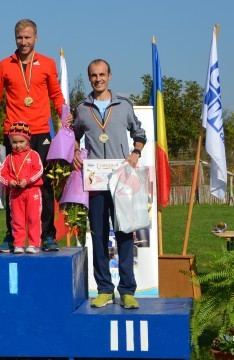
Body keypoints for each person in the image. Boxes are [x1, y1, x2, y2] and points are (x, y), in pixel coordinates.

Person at [0, 18, 68, 252]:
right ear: (14, 38)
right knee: (14, 187)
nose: (23, 42)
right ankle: (12, 236)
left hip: (41, 132)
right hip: (15, 134)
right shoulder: (5, 64)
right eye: (20, 38)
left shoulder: (47, 63)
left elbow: (57, 96)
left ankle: (48, 234)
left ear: (36, 38)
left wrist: (65, 120)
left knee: (45, 183)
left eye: (28, 37)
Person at [71, 59, 145, 309]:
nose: (98, 79)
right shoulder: (81, 108)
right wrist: (75, 155)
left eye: (102, 74)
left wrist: (135, 153)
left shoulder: (123, 105)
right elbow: (73, 137)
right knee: (99, 236)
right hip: (96, 182)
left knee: (125, 233)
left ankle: (127, 291)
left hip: (121, 182)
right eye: (93, 75)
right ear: (89, 77)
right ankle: (104, 289)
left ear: (110, 76)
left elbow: (140, 133)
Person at [0, 121, 44, 254]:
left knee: (33, 218)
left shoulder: (34, 155)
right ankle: (18, 244)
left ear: (28, 141)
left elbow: (39, 170)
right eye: (14, 142)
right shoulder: (9, 158)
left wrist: (28, 180)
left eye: (21, 141)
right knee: (17, 220)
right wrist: (9, 182)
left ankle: (34, 243)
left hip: (32, 192)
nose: (18, 145)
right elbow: (2, 175)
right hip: (15, 194)